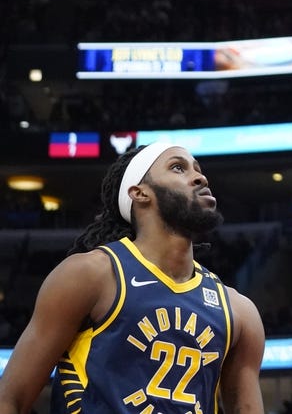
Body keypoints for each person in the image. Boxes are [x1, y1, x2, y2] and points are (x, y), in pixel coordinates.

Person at [0, 142, 265, 414]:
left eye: (198, 169)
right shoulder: (92, 275)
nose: (200, 177)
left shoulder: (238, 311)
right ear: (140, 193)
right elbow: (10, 399)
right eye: (178, 167)